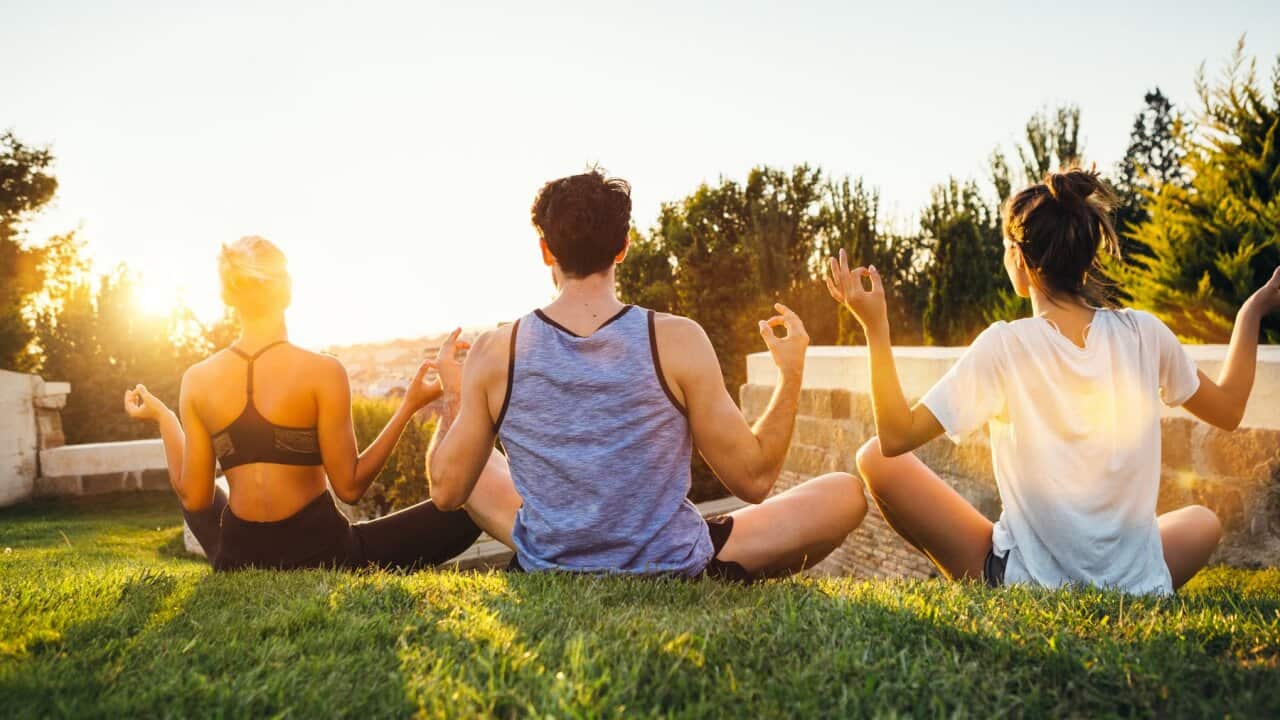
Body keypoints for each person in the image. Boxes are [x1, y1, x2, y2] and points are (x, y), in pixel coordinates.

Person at [829, 166, 1280, 594]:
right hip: (1139, 585)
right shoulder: (1145, 333)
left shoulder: (1005, 345)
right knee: (1203, 521)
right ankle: (1124, 580)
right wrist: (1251, 312)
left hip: (1030, 581)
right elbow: (1229, 410)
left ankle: (996, 586)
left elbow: (895, 436)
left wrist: (875, 327)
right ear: (1084, 257)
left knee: (875, 458)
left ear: (1018, 260)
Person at [424, 169, 867, 581]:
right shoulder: (677, 339)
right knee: (846, 494)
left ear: (545, 251)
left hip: (550, 562)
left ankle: (563, 546)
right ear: (623, 247)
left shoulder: (496, 350)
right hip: (671, 560)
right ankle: (715, 573)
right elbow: (753, 479)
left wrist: (456, 393)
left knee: (476, 459)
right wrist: (790, 373)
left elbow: (446, 492)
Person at [124, 236, 482, 571]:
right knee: (469, 506)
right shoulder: (322, 371)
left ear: (229, 297)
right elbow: (350, 488)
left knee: (208, 491)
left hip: (238, 554)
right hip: (322, 551)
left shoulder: (197, 379)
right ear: (287, 290)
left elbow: (195, 500)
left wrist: (165, 418)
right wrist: (409, 406)